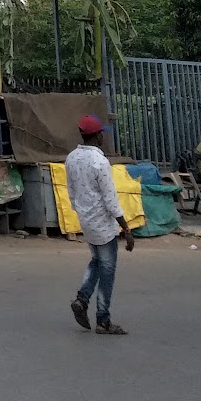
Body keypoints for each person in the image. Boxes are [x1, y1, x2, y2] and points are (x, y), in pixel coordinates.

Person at [66, 114, 134, 336]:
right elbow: (111, 200)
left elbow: (71, 192)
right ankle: (103, 319)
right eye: (101, 133)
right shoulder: (99, 162)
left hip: (86, 219)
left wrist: (82, 213)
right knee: (107, 271)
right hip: (103, 223)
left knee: (97, 261)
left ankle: (82, 299)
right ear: (97, 135)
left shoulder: (72, 158)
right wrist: (126, 228)